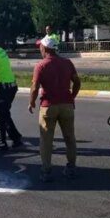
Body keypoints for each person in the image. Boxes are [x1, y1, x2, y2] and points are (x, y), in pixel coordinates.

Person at [28, 36, 80, 181]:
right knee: (70, 138)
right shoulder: (67, 63)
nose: (39, 48)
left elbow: (34, 88)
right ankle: (71, 168)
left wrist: (31, 102)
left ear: (45, 48)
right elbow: (77, 82)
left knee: (46, 140)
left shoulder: (41, 65)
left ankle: (46, 171)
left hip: (48, 106)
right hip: (67, 106)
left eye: (40, 46)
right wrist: (71, 97)